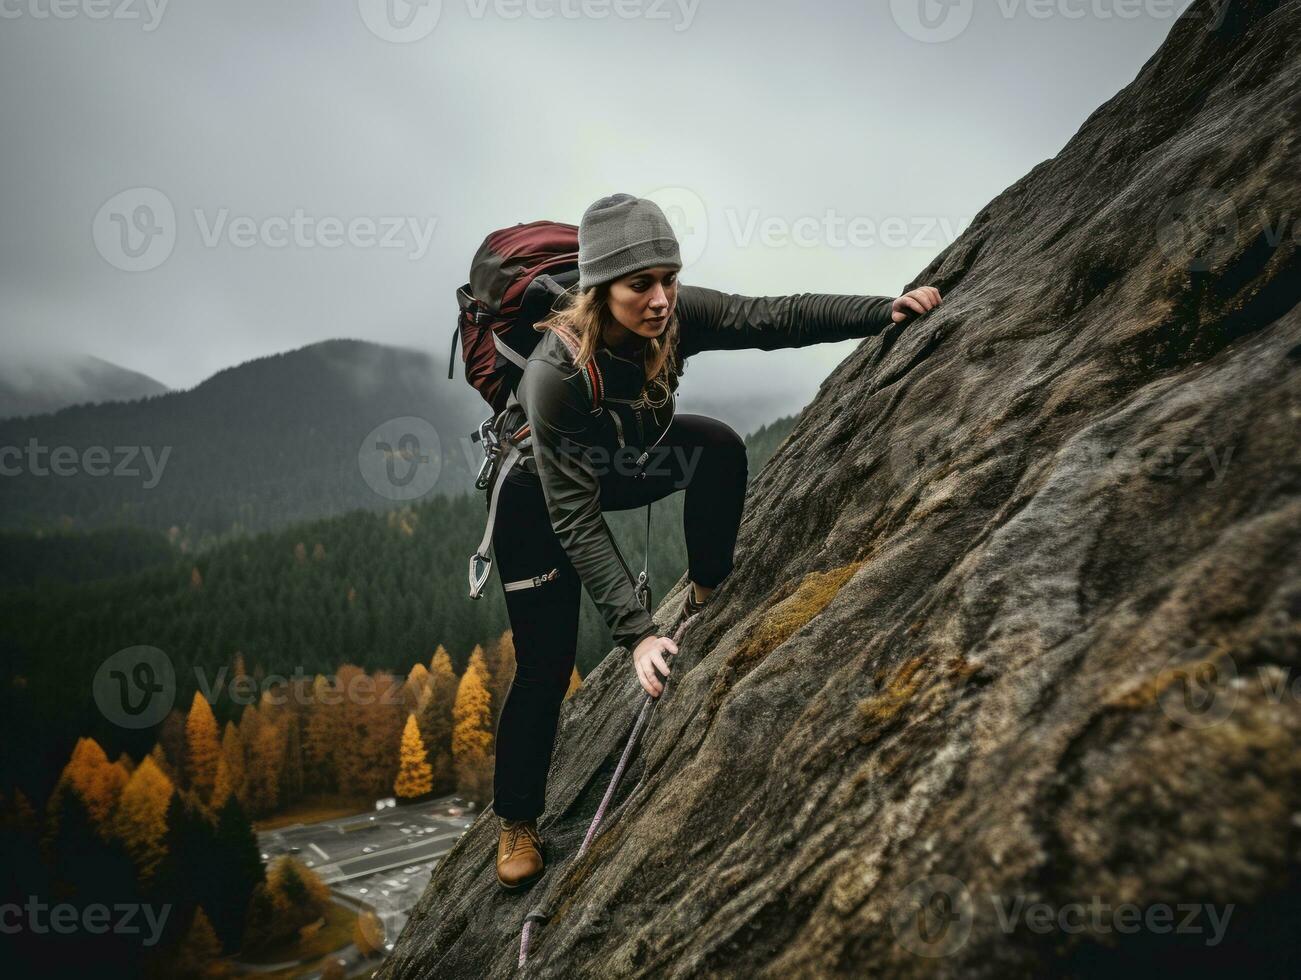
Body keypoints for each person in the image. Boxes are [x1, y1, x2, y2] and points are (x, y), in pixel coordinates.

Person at [489, 192, 942, 889]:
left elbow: (773, 316)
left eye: (669, 278)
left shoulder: (675, 313)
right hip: (538, 501)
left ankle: (706, 592)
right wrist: (637, 633)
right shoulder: (557, 374)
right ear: (600, 288)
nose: (661, 299)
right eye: (641, 284)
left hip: (618, 461)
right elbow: (575, 518)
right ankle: (517, 819)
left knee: (717, 447)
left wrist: (881, 308)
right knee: (545, 665)